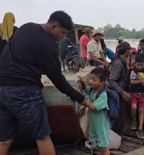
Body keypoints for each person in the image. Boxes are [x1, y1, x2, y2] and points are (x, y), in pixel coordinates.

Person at [0, 11, 85, 155]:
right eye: (63, 33)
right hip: (25, 92)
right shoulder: (48, 44)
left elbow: (5, 54)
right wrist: (80, 97)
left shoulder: (26, 28)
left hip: (2, 89)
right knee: (42, 136)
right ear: (53, 26)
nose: (63, 37)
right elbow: (57, 78)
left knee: (4, 138)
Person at [79, 67, 110, 155]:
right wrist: (82, 83)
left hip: (101, 123)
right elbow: (86, 89)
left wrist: (83, 100)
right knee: (96, 143)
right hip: (93, 121)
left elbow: (93, 107)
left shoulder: (103, 94)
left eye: (94, 80)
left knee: (103, 146)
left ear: (102, 83)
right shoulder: (92, 90)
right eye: (90, 78)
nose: (91, 81)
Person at [108, 42, 131, 135]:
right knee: (118, 115)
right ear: (126, 51)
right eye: (129, 50)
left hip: (121, 92)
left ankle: (118, 134)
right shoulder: (118, 63)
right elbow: (112, 80)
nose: (130, 51)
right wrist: (122, 92)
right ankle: (116, 135)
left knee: (121, 114)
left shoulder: (122, 61)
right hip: (118, 94)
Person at [129, 53, 144, 139]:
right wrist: (141, 81)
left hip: (143, 94)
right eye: (138, 65)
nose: (139, 67)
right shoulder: (133, 71)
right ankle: (133, 119)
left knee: (141, 110)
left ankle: (140, 128)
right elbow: (132, 82)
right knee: (133, 107)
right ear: (135, 63)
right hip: (134, 93)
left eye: (141, 65)